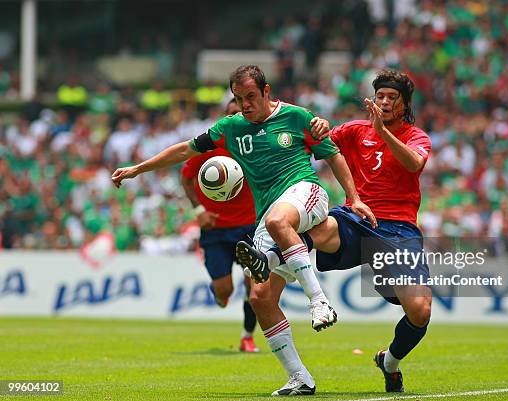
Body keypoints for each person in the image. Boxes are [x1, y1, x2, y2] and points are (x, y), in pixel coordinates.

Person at [112, 65, 375, 396]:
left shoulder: (297, 117)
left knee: (281, 222)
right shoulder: (231, 128)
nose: (245, 104)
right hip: (267, 215)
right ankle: (300, 377)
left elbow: (333, 156)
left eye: (251, 97)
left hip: (305, 193)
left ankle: (319, 301)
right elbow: (184, 150)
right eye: (239, 98)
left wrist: (354, 198)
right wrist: (138, 168)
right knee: (259, 297)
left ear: (266, 92)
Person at [237, 69, 432, 393]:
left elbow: (414, 164)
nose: (384, 102)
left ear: (404, 104)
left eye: (391, 98)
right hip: (358, 217)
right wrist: (321, 126)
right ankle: (266, 260)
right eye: (380, 96)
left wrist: (383, 133)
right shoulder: (355, 131)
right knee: (322, 227)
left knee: (420, 312)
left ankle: (390, 363)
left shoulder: (416, 136)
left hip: (399, 230)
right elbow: (316, 143)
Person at [180, 98, 258, 353]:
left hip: (249, 227)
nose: (237, 117)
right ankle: (219, 293)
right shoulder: (209, 146)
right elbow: (186, 176)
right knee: (224, 292)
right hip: (215, 230)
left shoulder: (257, 145)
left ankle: (247, 336)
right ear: (225, 118)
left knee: (254, 287)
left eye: (241, 113)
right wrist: (199, 211)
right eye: (232, 113)